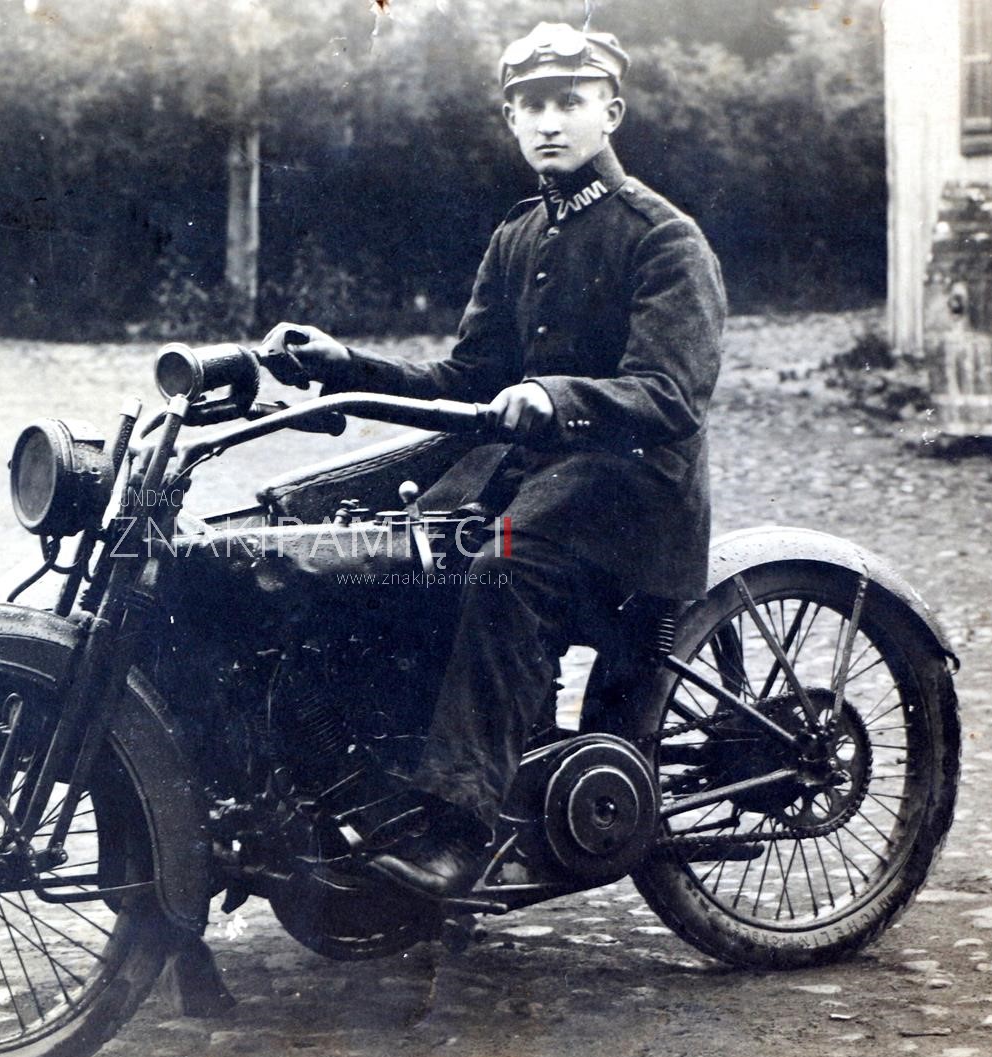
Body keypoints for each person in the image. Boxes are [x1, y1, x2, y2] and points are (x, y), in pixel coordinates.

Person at [259, 22, 726, 898]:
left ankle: (464, 828)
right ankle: (376, 787)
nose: (548, 122)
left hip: (632, 494)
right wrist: (343, 364)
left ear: (611, 112)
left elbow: (670, 395)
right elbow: (464, 379)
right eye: (530, 106)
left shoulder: (662, 237)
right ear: (511, 121)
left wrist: (555, 396)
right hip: (537, 483)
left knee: (499, 571)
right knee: (388, 558)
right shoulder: (519, 235)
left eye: (569, 102)